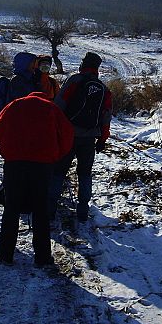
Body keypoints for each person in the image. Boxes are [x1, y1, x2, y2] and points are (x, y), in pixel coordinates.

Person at [0, 91, 74, 266]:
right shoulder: (52, 109)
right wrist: (55, 155)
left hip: (14, 164)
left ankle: (5, 254)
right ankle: (42, 257)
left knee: (11, 208)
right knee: (40, 210)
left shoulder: (14, 105)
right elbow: (68, 136)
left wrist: (9, 146)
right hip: (42, 166)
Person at [49, 52, 112, 222]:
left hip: (68, 135)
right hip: (89, 138)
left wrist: (54, 129)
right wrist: (102, 139)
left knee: (58, 171)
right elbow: (106, 116)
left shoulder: (75, 80)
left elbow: (58, 105)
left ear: (84, 64)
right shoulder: (103, 89)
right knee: (85, 173)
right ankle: (83, 210)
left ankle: (50, 208)